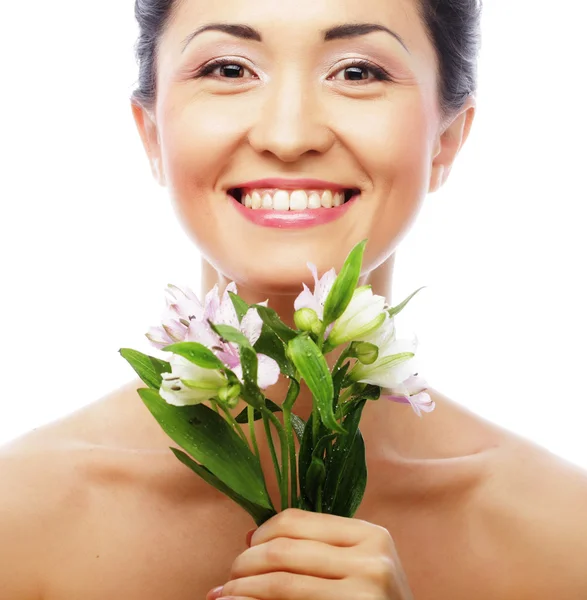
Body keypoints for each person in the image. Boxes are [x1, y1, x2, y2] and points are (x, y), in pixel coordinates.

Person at [1, 0, 587, 598]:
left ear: (448, 138)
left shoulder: (568, 539)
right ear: (152, 133)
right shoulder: (14, 523)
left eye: (357, 72)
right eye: (228, 69)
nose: (288, 136)